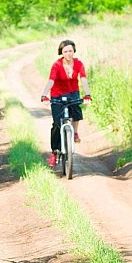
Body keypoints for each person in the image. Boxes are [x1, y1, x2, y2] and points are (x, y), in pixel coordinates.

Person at [41, 39, 91, 167]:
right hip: (57, 94)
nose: (68, 53)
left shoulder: (79, 63)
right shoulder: (57, 65)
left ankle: (74, 133)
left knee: (77, 112)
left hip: (73, 92)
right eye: (65, 51)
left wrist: (87, 94)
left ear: (74, 51)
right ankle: (54, 153)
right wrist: (44, 95)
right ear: (61, 53)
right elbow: (51, 80)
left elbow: (83, 78)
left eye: (70, 50)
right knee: (57, 124)